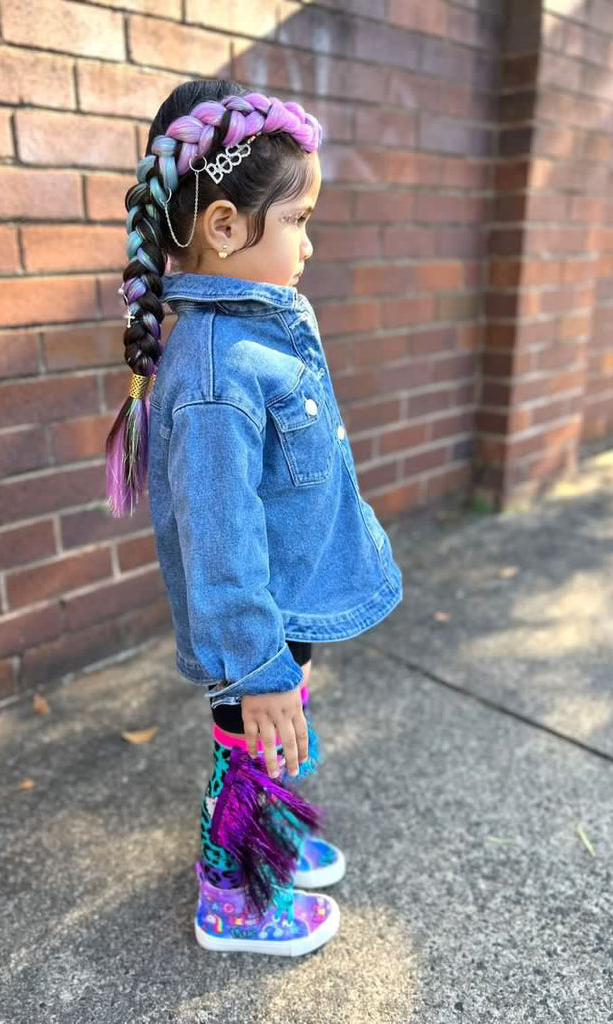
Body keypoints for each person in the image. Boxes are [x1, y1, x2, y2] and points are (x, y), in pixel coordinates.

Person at [106, 79, 403, 956]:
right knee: (247, 746)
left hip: (285, 603)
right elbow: (220, 542)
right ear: (226, 226)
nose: (308, 244)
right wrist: (258, 666)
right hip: (253, 627)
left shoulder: (258, 330)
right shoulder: (212, 372)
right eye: (299, 220)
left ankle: (265, 843)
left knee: (274, 740)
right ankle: (227, 897)